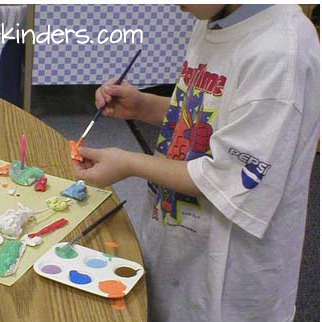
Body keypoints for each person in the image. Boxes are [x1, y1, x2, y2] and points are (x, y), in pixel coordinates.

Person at [73, 4, 320, 322]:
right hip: (180, 243)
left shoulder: (281, 54)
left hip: (229, 282)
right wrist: (142, 106)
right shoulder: (214, 17)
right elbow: (206, 112)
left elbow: (229, 175)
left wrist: (129, 164)